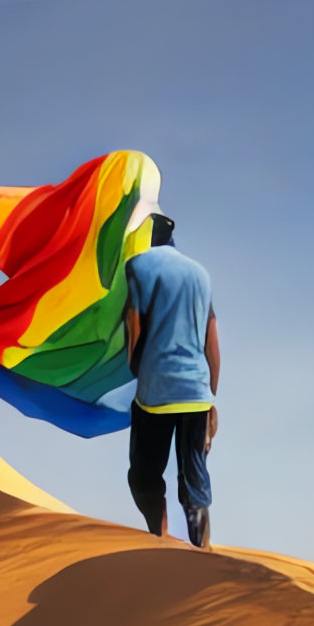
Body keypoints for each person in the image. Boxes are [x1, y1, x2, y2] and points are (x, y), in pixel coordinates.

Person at [123, 213, 220, 548]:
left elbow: (133, 328)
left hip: (156, 391)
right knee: (194, 478)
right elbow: (212, 343)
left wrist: (137, 369)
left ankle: (159, 540)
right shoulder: (200, 274)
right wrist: (211, 400)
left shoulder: (138, 266)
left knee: (145, 475)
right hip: (196, 393)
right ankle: (203, 548)